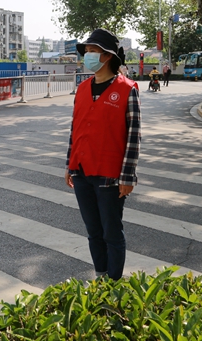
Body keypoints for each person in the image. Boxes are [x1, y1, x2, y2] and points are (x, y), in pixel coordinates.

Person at [64, 28, 141, 280]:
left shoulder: (128, 90)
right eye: (86, 51)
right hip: (82, 172)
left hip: (110, 175)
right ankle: (101, 276)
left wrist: (128, 176)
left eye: (92, 51)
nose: (87, 56)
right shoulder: (83, 88)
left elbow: (133, 136)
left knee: (111, 232)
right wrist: (69, 164)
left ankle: (114, 283)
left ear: (107, 56)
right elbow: (75, 129)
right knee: (93, 231)